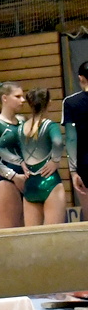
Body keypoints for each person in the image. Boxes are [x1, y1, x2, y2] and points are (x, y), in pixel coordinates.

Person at [0, 87, 65, 226]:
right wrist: (55, 161)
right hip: (49, 181)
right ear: (49, 102)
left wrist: (20, 162)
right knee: (54, 235)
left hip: (30, 184)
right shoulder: (49, 125)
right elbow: (58, 142)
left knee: (32, 235)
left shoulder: (20, 128)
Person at [0, 81, 27, 228]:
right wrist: (13, 176)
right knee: (11, 233)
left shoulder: (23, 121)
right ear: (5, 98)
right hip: (9, 183)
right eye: (18, 96)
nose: (23, 100)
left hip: (28, 180)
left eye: (23, 96)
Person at [63, 61, 88, 204]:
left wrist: (73, 171)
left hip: (85, 164)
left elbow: (71, 138)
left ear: (81, 78)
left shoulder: (71, 102)